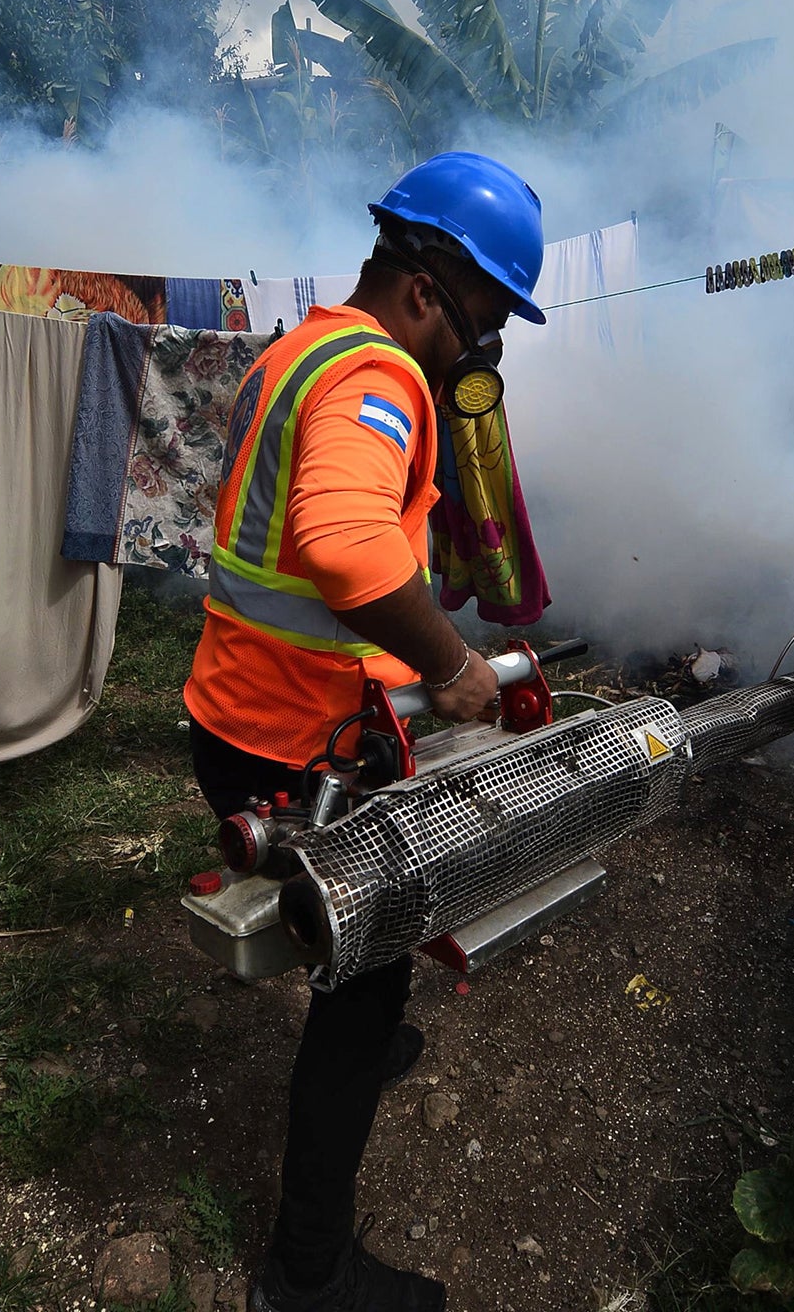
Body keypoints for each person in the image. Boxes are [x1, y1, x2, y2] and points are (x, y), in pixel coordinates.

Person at [185, 152, 547, 1311]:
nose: (490, 341)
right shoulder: (381, 374)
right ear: (432, 286)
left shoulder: (303, 347)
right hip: (303, 741)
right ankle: (307, 1274)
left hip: (236, 708)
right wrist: (448, 670)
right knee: (362, 992)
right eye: (491, 308)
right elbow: (342, 543)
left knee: (331, 946)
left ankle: (360, 1010)